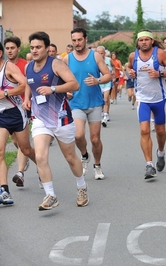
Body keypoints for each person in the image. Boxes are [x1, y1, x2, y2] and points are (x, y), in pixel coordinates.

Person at [23, 31, 88, 210]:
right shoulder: (28, 66)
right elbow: (29, 83)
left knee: (70, 157)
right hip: (39, 119)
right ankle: (50, 195)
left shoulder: (56, 64)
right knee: (41, 156)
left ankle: (81, 187)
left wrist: (53, 88)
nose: (34, 50)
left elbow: (74, 84)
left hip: (61, 117)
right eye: (32, 47)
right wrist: (27, 98)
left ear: (46, 48)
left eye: (38, 47)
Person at [63, 27, 112, 180]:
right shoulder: (67, 59)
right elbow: (61, 81)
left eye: (79, 39)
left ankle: (97, 165)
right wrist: (66, 91)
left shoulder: (95, 56)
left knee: (95, 138)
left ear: (85, 39)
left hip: (95, 103)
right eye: (74, 40)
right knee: (78, 136)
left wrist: (97, 80)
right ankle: (84, 155)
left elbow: (108, 75)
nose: (77, 43)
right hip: (76, 103)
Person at [126, 29, 166, 179]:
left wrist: (159, 73)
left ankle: (161, 152)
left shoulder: (160, 54)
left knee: (160, 131)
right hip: (142, 98)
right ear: (138, 42)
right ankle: (149, 164)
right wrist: (130, 73)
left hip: (159, 98)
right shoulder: (133, 56)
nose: (144, 42)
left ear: (152, 41)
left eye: (147, 40)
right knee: (144, 131)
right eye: (141, 40)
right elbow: (128, 67)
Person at [3, 36, 31, 187]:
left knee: (23, 145)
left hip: (23, 107)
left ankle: (20, 172)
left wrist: (27, 99)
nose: (10, 51)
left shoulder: (25, 65)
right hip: (7, 109)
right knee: (16, 141)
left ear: (19, 49)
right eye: (7, 48)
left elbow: (30, 84)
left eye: (12, 48)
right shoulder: (3, 66)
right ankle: (28, 157)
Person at [95, 46, 113, 127]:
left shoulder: (108, 60)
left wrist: (114, 75)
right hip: (97, 82)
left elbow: (114, 68)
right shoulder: (94, 61)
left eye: (101, 53)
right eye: (98, 53)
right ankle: (103, 111)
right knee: (100, 100)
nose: (100, 54)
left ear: (104, 53)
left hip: (106, 82)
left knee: (106, 99)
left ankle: (105, 115)